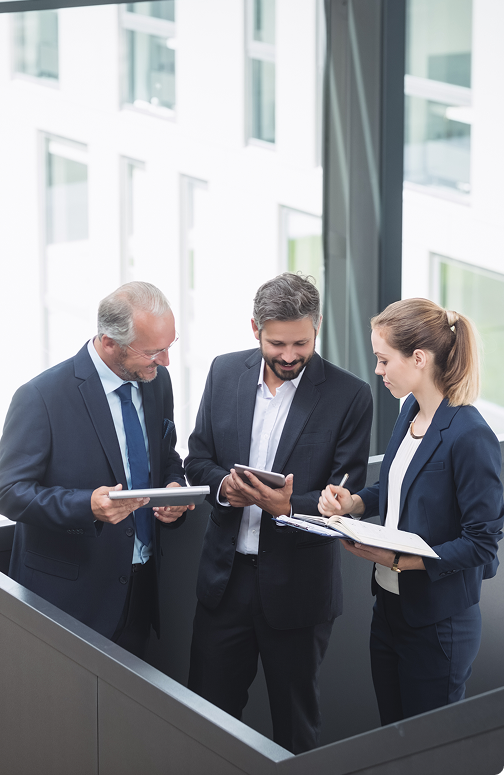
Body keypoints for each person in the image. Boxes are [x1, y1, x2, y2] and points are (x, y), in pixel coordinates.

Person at [184, 272, 373, 754]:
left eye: (301, 343)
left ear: (318, 328)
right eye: (277, 343)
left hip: (299, 590)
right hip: (224, 585)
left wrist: (287, 505)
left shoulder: (350, 396)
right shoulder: (224, 372)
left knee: (295, 729)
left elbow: (343, 496)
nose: (289, 355)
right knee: (206, 720)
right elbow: (197, 458)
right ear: (255, 329)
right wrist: (224, 487)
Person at [319, 298, 504, 725]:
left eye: (384, 360)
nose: (378, 371)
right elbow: (393, 486)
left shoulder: (471, 436)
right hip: (389, 609)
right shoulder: (410, 412)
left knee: (427, 756)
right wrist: (355, 503)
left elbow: (482, 544)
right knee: (393, 742)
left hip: (439, 624)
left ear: (418, 359)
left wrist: (401, 560)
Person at [0, 282, 190, 659]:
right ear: (110, 342)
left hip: (141, 588)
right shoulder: (40, 397)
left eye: (169, 346)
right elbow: (7, 492)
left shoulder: (155, 382)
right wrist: (88, 506)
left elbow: (165, 455)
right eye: (153, 351)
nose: (165, 362)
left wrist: (173, 487)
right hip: (70, 599)